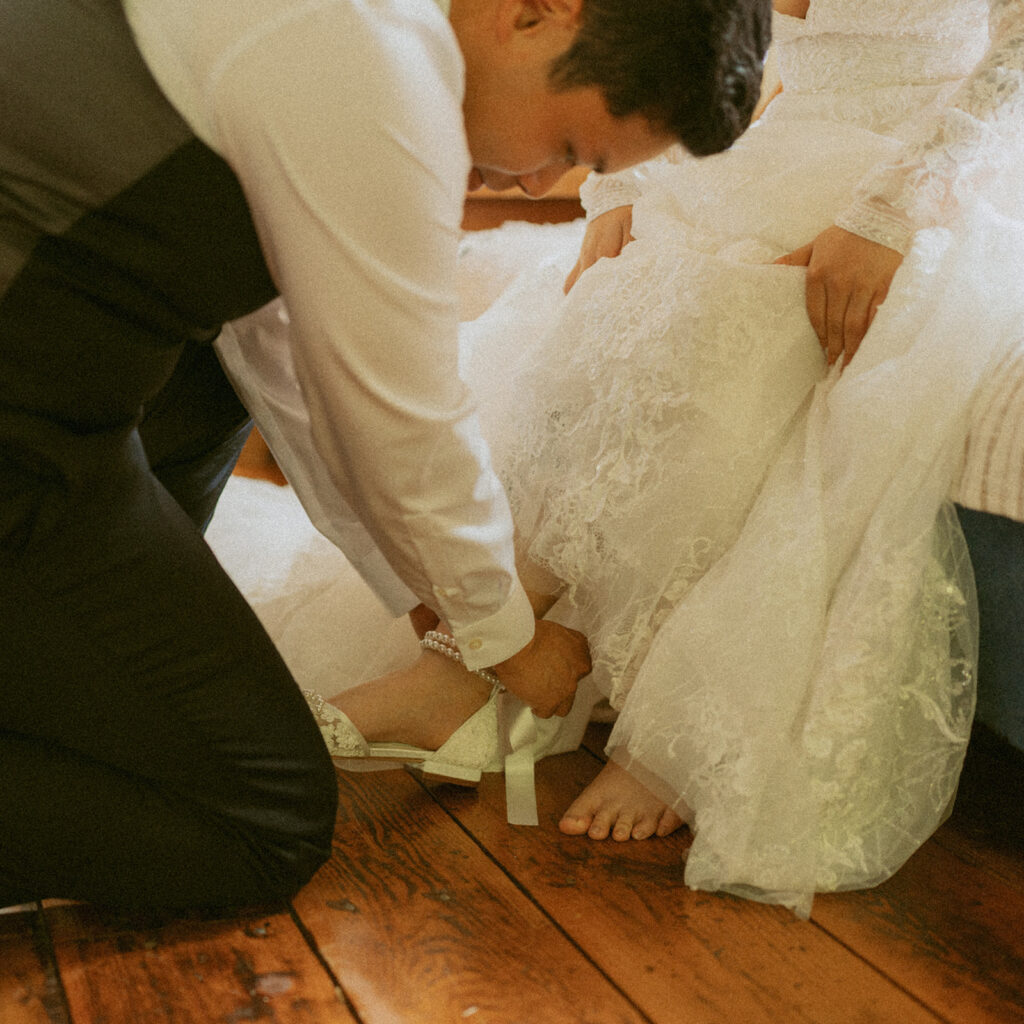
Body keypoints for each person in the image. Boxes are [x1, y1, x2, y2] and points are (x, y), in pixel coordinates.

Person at [216, 0, 1024, 918]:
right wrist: (618, 187)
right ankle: (478, 661)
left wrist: (894, 208)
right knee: (624, 292)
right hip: (772, 141)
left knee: (750, 312)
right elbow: (674, 34)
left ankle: (668, 729)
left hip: (938, 166)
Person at [0, 0, 772, 911]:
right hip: (32, 422)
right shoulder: (376, 64)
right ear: (536, 15)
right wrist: (506, 639)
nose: (535, 185)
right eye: (570, 148)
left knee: (207, 410)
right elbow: (397, 417)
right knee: (265, 818)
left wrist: (428, 595)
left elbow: (289, 360)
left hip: (61, 396)